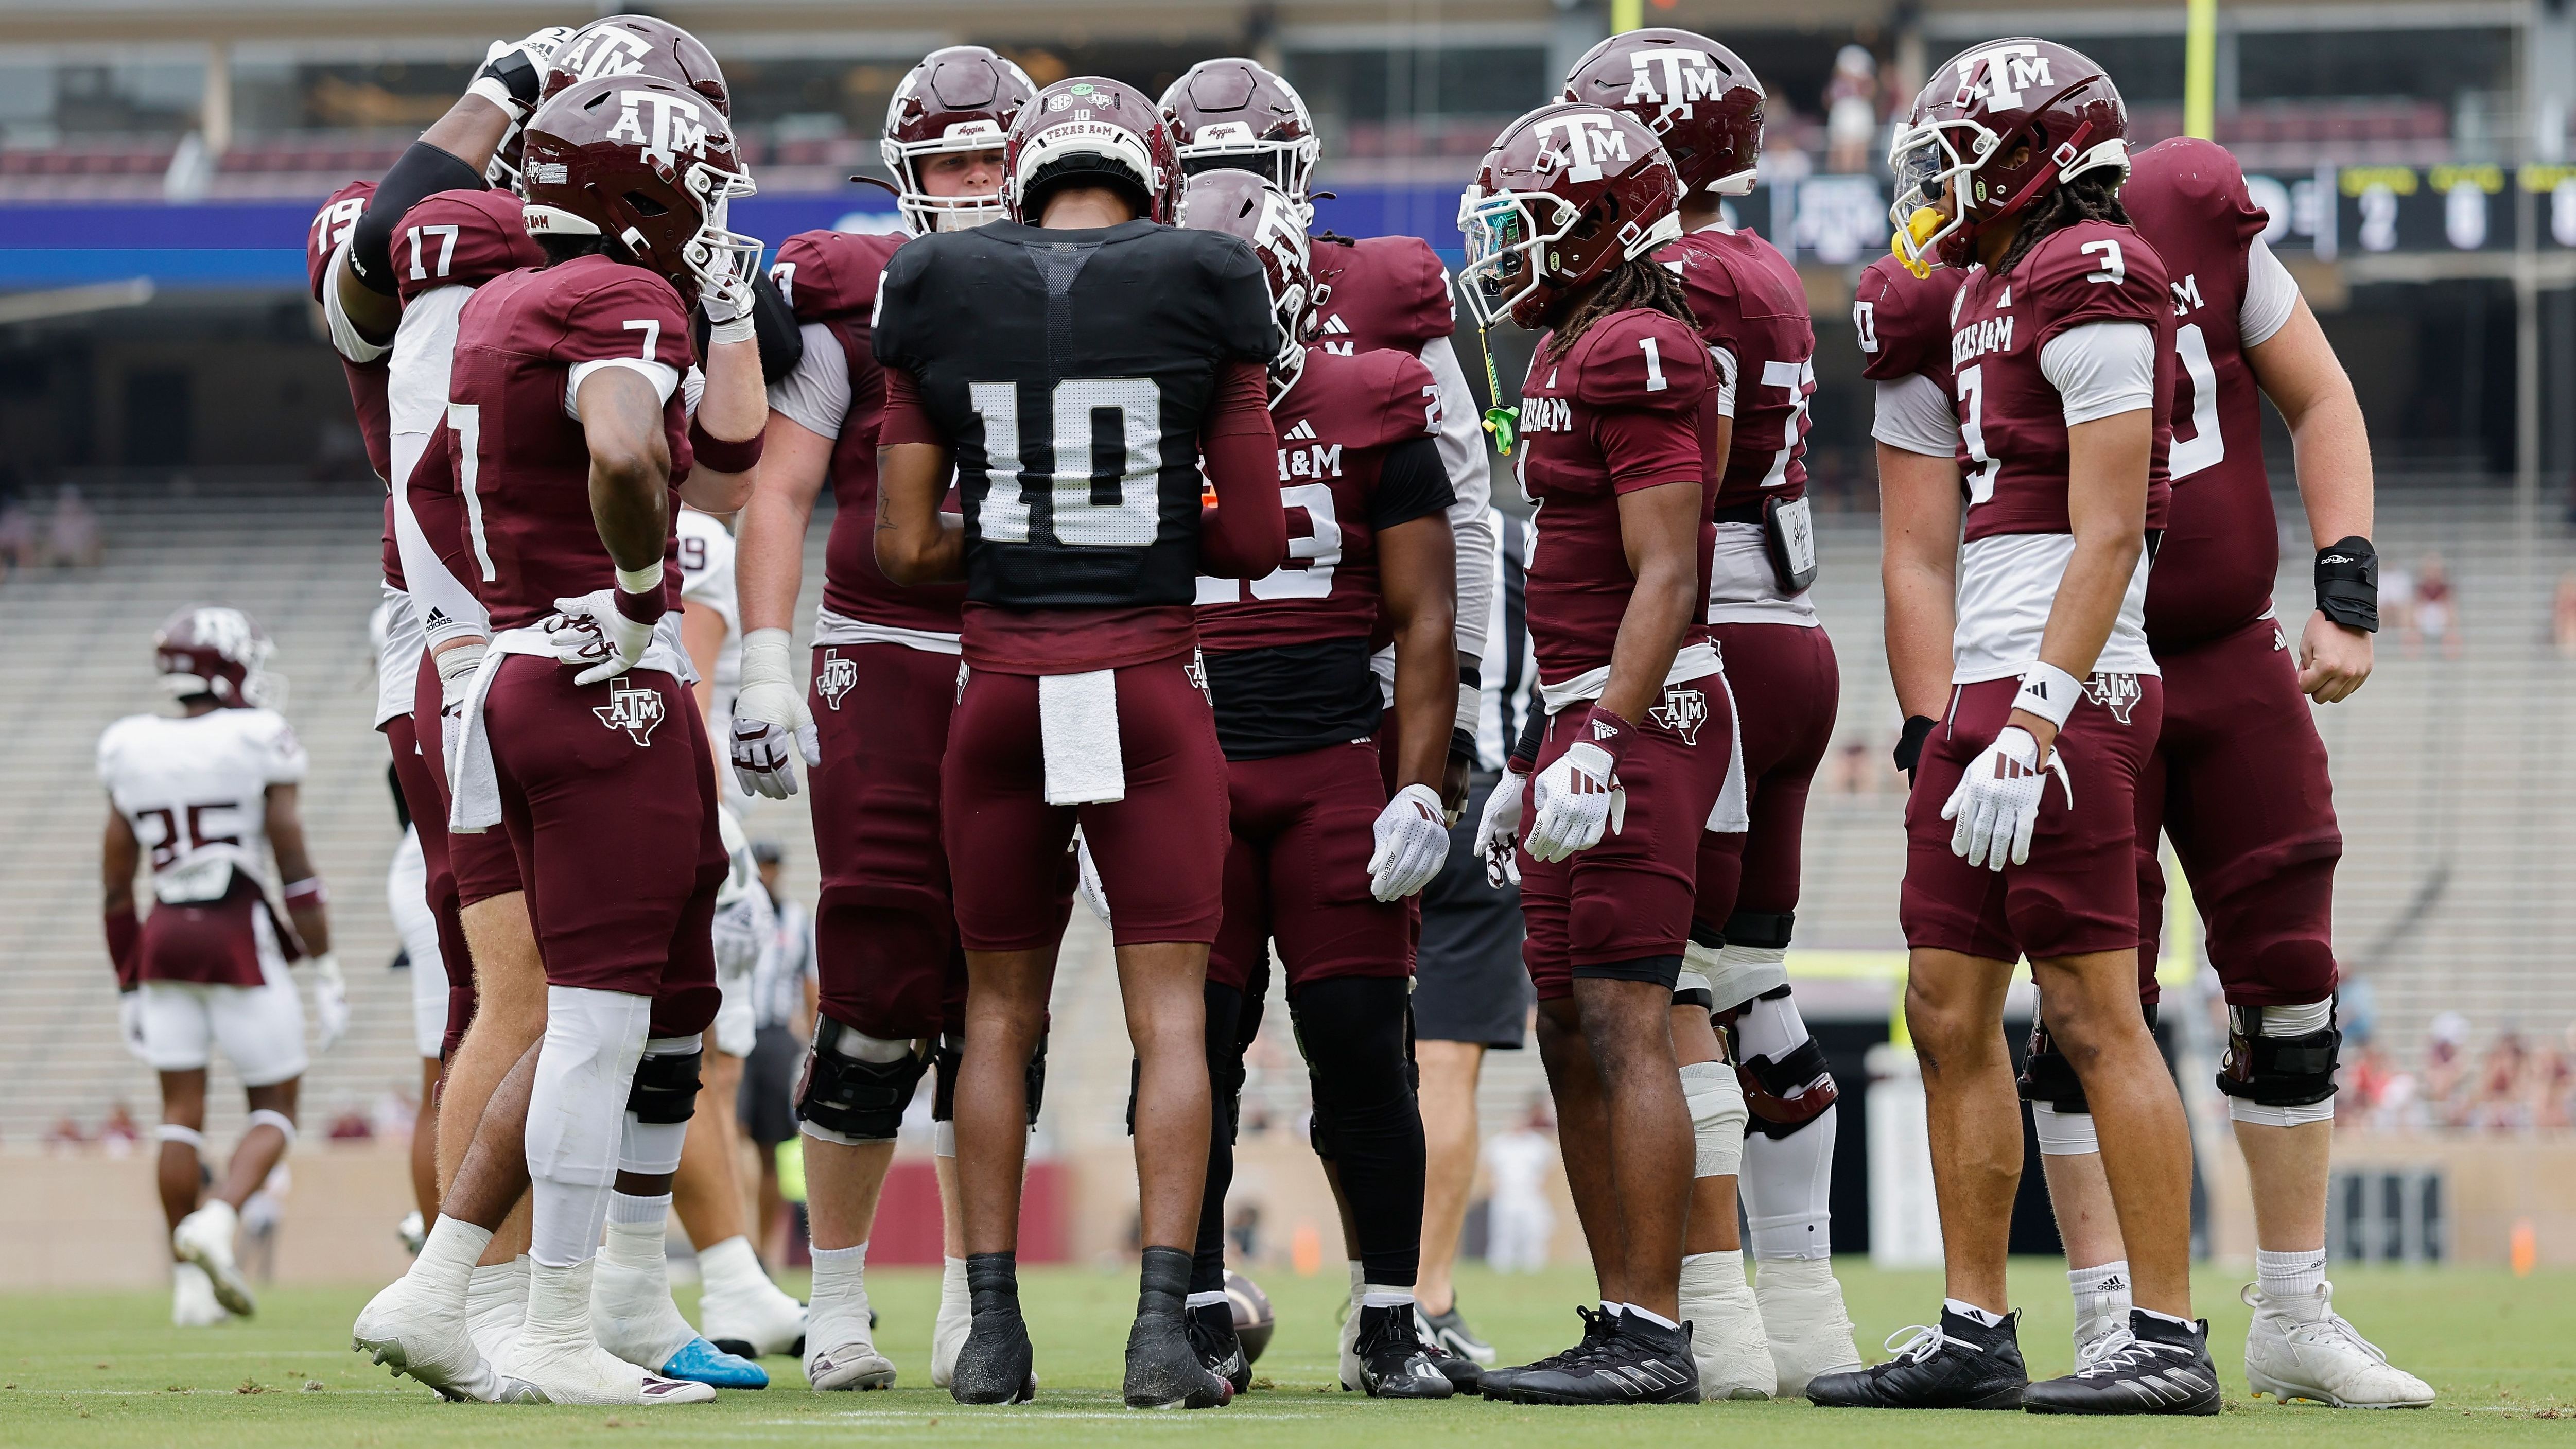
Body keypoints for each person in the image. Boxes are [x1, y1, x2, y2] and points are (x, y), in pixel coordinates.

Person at [868, 74, 1284, 1410]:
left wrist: (1017, 531)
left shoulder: (935, 282)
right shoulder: (1206, 274)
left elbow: (902, 544)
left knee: (992, 1012)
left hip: (998, 687)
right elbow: (1255, 537)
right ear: (1150, 178)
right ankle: (1164, 1328)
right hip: (1149, 683)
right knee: (1170, 1013)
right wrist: (1142, 522)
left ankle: (991, 1333)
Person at [350, 70, 765, 1407]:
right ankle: (552, 1320)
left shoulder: (504, 302)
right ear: (639, 187)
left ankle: (452, 1282)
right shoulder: (612, 298)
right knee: (593, 1015)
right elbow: (630, 452)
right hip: (595, 673)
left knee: (624, 1003)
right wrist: (642, 597)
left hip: (511, 667)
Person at [1826, 40, 2213, 1415]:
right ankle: (1972, 1320)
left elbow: (2111, 524)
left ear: (2035, 152)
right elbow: (1926, 541)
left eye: (1956, 150)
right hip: (1986, 684)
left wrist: (2037, 713)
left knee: (2094, 1012)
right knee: (1941, 1004)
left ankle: (2164, 1333)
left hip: (2074, 675)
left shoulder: (2088, 266)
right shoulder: (1979, 286)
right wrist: (1949, 719)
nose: (1933, 182)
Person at [1161, 55, 1502, 1380]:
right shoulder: (1139, 376)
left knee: (1362, 1043)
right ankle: (1180, 1304)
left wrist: (1436, 760)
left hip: (1328, 746)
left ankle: (1385, 1313)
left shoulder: (1374, 375)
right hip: (1180, 752)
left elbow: (1440, 580)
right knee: (1191, 1043)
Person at [729, 43, 1036, 1393]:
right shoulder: (850, 294)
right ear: (905, 181)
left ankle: (981, 1302)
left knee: (1000, 1005)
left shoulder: (1099, 293)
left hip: (1039, 655)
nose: (971, 189)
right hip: (887, 654)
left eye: (990, 161)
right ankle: (838, 1296)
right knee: (865, 1001)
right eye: (948, 166)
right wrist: (757, 656)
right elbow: (781, 488)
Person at [1567, 27, 1858, 1400]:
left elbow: (1684, 495)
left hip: (1709, 642)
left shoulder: (1667, 285)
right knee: (1756, 987)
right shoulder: (1771, 274)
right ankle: (1806, 1306)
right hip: (1794, 632)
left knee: (1670, 989)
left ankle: (1719, 1311)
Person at [1461, 101, 1724, 1407]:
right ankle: (1622, 1312)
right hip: (1575, 710)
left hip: (1645, 711)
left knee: (1624, 1015)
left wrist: (1603, 735)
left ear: (1603, 226)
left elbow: (1666, 567)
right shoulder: (1572, 342)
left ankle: (1657, 1329)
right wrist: (1534, 746)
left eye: (1527, 225)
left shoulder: (1638, 345)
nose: (1506, 250)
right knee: (1563, 1019)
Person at [99, 607, 345, 1327]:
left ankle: (188, 1286)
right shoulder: (254, 736)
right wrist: (325, 964)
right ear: (225, 664)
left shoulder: (129, 743)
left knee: (179, 1115)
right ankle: (218, 1218)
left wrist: (126, 978)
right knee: (275, 1106)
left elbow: (117, 885)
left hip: (164, 936)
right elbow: (294, 865)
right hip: (237, 933)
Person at [1409, 507, 1539, 1370]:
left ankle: (1375, 1286)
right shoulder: (1525, 539)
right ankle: (1423, 1294)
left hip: (1380, 789)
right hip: (1484, 792)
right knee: (1446, 1068)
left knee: (1362, 1062)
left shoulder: (1387, 513)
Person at [737, 839, 817, 1267]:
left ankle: (762, 1251)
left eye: (772, 866)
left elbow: (808, 983)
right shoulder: (730, 910)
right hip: (733, 1032)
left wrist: (809, 1040)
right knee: (731, 1140)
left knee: (770, 1147)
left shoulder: (795, 919)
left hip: (773, 1036)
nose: (767, 874)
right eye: (761, 866)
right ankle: (734, 1244)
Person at [1482, 1101, 1560, 1273]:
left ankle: (1534, 1266)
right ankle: (1501, 1266)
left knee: (1534, 1231)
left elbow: (1551, 1166)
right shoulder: (1498, 1144)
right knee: (1504, 1232)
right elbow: (1487, 1169)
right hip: (1505, 1195)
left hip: (1530, 1194)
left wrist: (1542, 1183)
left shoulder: (1537, 1144)